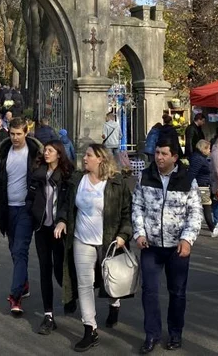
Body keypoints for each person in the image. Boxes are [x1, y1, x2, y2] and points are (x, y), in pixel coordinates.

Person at [56, 144, 132, 352]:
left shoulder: (116, 183)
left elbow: (127, 212)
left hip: (109, 241)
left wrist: (123, 235)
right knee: (84, 284)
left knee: (111, 280)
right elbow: (66, 204)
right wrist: (62, 220)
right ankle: (90, 328)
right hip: (81, 239)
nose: (85, 158)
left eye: (89, 155)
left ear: (101, 159)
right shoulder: (77, 180)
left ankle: (114, 304)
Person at [133, 137, 203, 353]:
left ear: (174, 157)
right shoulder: (145, 176)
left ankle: (175, 333)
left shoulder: (186, 180)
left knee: (177, 292)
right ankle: (151, 334)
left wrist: (187, 239)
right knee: (149, 291)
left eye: (164, 154)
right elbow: (137, 205)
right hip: (151, 246)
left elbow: (195, 212)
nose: (159, 157)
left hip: (177, 248)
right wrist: (139, 232)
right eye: (157, 153)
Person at [0, 117, 43, 316]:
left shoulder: (36, 155)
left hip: (25, 209)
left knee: (20, 249)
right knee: (14, 249)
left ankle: (16, 296)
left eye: (18, 134)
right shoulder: (3, 154)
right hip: (7, 209)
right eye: (12, 134)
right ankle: (24, 283)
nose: (15, 138)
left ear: (26, 133)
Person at [26, 139, 75, 335]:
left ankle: (70, 294)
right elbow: (30, 196)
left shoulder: (67, 176)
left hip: (59, 229)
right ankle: (48, 315)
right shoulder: (38, 173)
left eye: (50, 150)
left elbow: (69, 202)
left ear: (59, 154)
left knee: (59, 268)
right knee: (44, 269)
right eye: (45, 150)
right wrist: (33, 212)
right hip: (42, 228)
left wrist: (63, 220)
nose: (46, 153)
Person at [185, 139, 218, 237]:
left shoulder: (198, 157)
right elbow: (192, 173)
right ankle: (212, 228)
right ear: (203, 149)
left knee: (202, 208)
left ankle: (210, 227)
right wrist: (186, 186)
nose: (210, 151)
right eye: (208, 149)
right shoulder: (198, 159)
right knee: (207, 207)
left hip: (202, 185)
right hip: (201, 186)